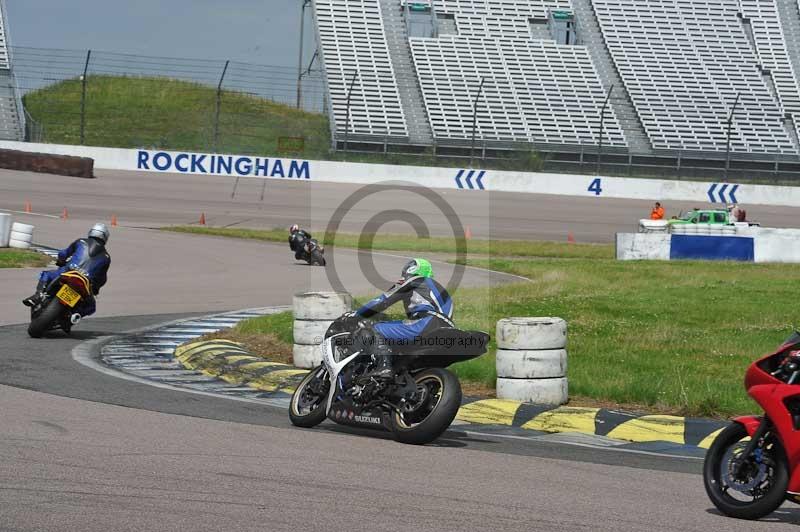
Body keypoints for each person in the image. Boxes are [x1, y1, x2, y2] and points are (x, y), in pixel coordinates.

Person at [348, 258, 454, 380]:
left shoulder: (416, 280)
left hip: (426, 323)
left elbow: (383, 301)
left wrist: (356, 314)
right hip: (447, 329)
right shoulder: (442, 291)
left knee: (372, 329)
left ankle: (383, 367)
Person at [22, 223, 111, 318]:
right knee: (91, 307)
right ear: (105, 237)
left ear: (91, 232)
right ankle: (75, 315)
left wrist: (61, 261)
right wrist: (96, 288)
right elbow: (102, 278)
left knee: (46, 275)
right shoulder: (106, 257)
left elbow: (63, 254)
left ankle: (39, 295)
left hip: (69, 271)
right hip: (85, 281)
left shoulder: (81, 241)